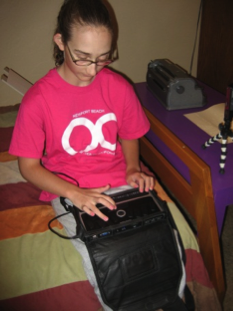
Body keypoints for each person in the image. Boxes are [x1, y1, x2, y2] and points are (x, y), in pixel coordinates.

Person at [9, 0, 154, 309]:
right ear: (61, 42)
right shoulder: (38, 99)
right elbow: (29, 167)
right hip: (70, 186)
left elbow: (129, 133)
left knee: (153, 241)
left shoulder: (118, 86)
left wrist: (131, 168)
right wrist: (74, 193)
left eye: (103, 58)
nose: (93, 70)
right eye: (83, 58)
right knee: (107, 257)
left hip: (119, 178)